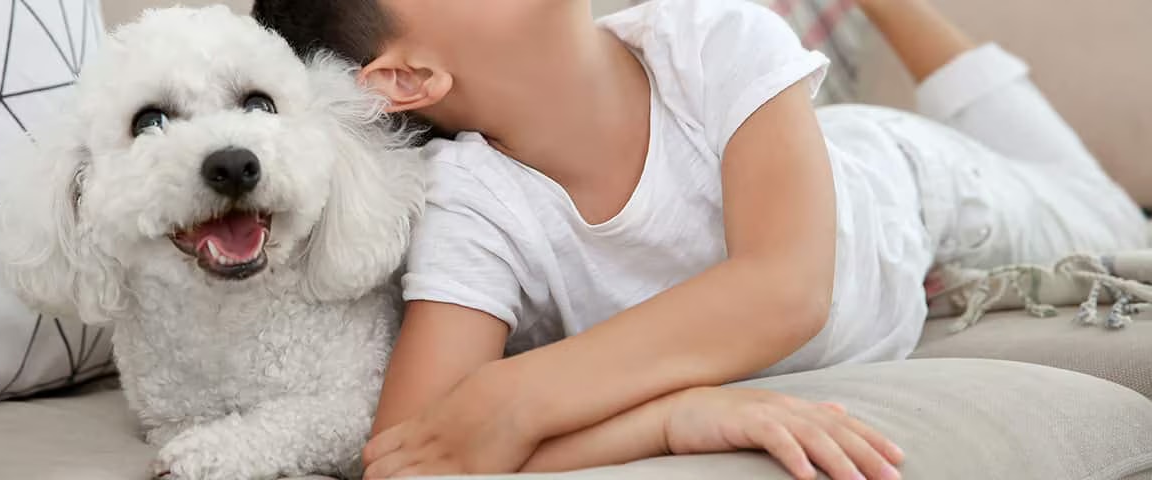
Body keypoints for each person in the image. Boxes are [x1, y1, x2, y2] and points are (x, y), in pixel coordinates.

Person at [253, 0, 1147, 479]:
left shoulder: (714, 33)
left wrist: (518, 397)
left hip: (901, 182)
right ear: (407, 75)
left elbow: (785, 292)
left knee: (1113, 223)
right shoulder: (476, 204)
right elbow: (412, 451)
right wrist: (675, 417)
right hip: (835, 203)